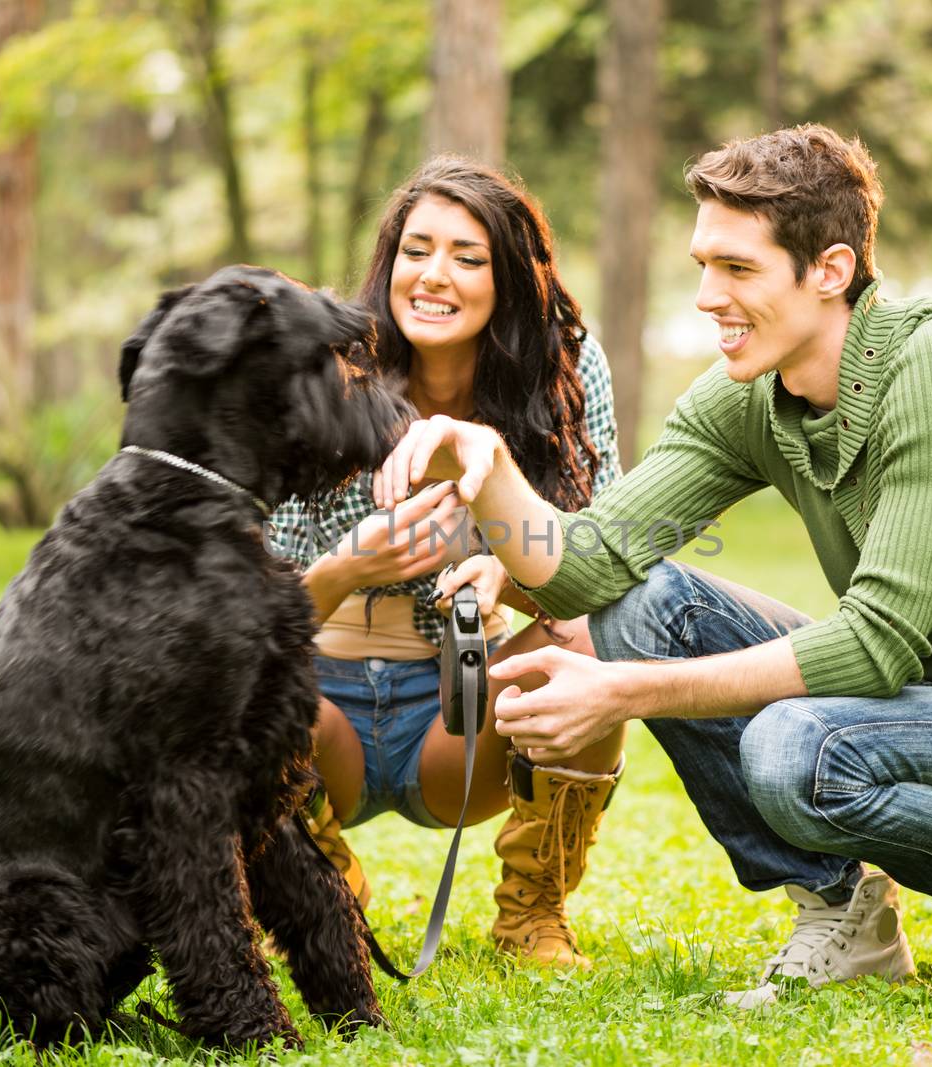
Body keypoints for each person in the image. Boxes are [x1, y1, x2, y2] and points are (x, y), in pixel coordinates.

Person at [373, 125, 932, 1002]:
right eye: (704, 264)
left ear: (831, 269)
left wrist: (621, 690)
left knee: (791, 747)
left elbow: (875, 649)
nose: (707, 296)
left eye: (738, 270)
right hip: (925, 704)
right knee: (645, 606)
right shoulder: (746, 393)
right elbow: (590, 565)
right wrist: (487, 469)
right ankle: (842, 910)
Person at [268, 156, 626, 969]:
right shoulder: (325, 371)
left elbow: (604, 544)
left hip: (460, 718)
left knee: (592, 641)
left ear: (510, 279)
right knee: (229, 683)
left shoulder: (564, 365)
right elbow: (257, 607)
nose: (435, 276)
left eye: (468, 257)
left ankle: (532, 913)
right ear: (388, 260)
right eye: (416, 249)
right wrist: (349, 567)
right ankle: (321, 896)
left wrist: (520, 566)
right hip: (324, 718)